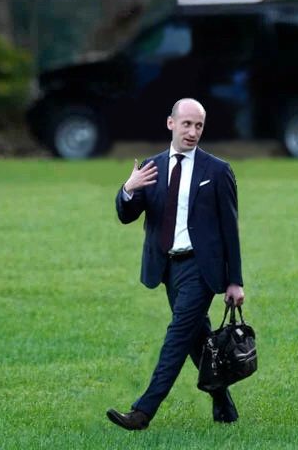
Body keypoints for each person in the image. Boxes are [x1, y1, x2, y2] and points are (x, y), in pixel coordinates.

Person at [107, 98, 245, 431]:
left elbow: (230, 228)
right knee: (198, 341)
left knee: (177, 337)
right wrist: (128, 189)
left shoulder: (217, 170)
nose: (193, 132)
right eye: (186, 124)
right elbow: (127, 215)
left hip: (202, 269)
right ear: (171, 124)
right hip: (167, 268)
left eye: (199, 125)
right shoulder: (151, 168)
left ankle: (142, 412)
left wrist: (235, 281)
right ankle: (224, 405)